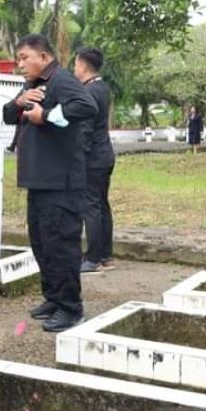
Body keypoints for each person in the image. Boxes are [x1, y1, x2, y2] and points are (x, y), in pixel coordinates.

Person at [4, 34, 96, 334]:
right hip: (39, 181)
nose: (20, 64)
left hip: (61, 182)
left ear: (44, 57)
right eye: (17, 59)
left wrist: (49, 115)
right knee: (42, 244)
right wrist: (19, 101)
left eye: (24, 57)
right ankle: (53, 299)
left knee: (61, 246)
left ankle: (71, 308)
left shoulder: (61, 80)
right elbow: (8, 115)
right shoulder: (32, 85)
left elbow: (87, 105)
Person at [73, 47, 117, 274]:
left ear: (83, 66)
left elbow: (85, 130)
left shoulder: (88, 92)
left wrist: (78, 154)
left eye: (75, 64)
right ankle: (105, 254)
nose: (74, 69)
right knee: (101, 204)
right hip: (105, 153)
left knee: (90, 206)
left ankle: (92, 258)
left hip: (93, 157)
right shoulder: (102, 87)